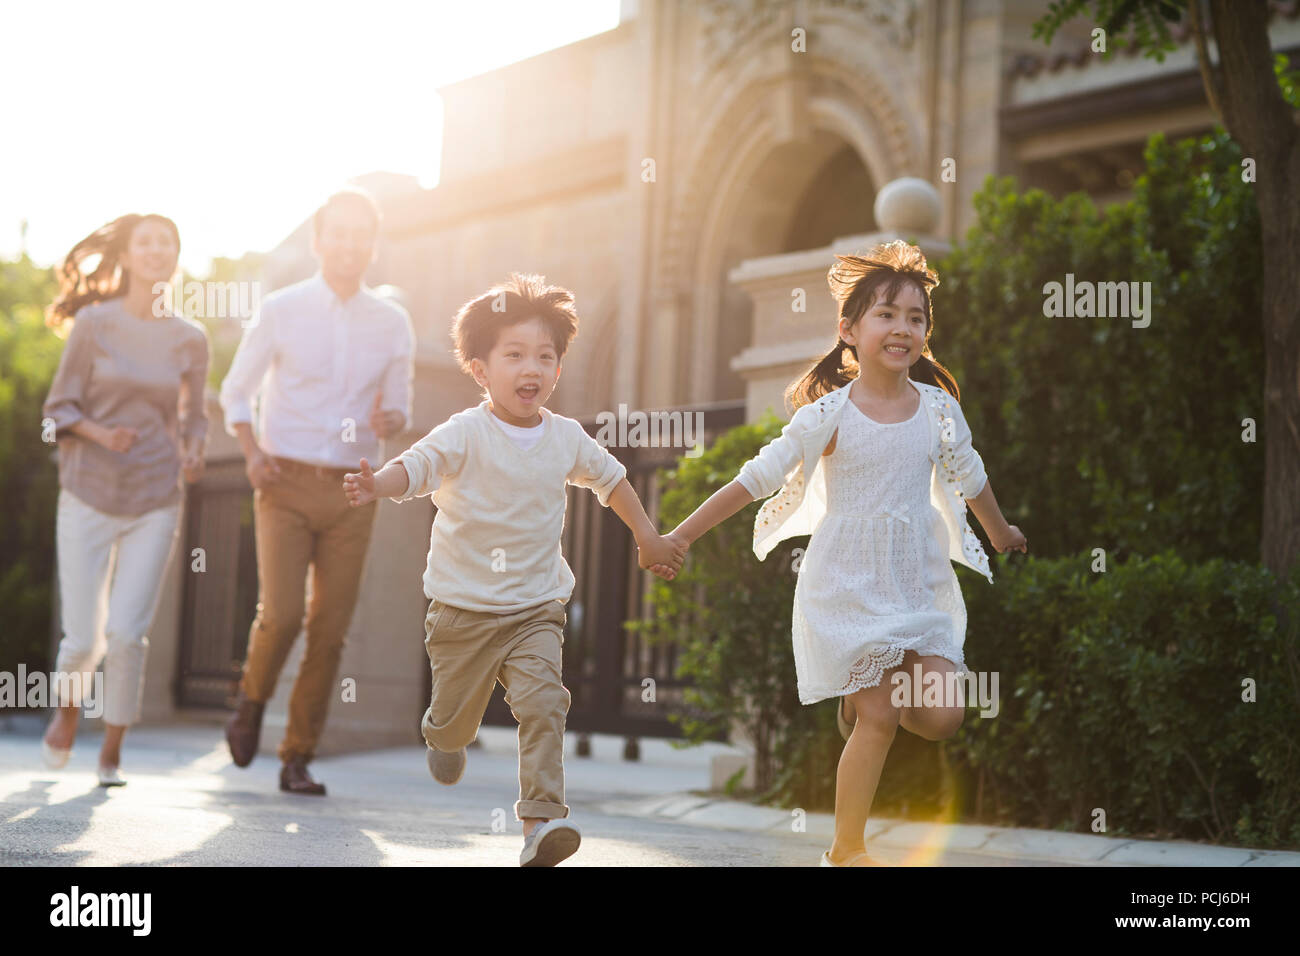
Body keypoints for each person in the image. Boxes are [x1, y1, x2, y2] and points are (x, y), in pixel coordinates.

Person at [660, 240, 1027, 866]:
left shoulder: (938, 409)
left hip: (916, 584)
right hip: (846, 587)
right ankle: (846, 849)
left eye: (916, 318)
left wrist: (997, 530)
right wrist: (681, 535)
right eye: (886, 314)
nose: (902, 328)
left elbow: (969, 473)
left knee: (941, 717)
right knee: (883, 714)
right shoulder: (828, 416)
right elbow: (757, 478)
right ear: (849, 330)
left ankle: (855, 702)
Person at [342, 273, 685, 866]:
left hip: (535, 608)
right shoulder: (466, 432)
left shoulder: (567, 437)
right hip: (460, 610)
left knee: (545, 705)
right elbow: (417, 468)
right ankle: (442, 733)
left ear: (558, 368)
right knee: (454, 726)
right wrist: (377, 483)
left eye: (546, 357)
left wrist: (648, 536)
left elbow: (612, 480)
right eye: (516, 355)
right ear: (481, 370)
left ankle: (539, 824)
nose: (533, 368)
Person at [218, 186, 415, 795]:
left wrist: (392, 422)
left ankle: (297, 755)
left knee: (329, 627)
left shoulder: (392, 322)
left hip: (353, 490)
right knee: (279, 615)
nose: (349, 245)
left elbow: (401, 406)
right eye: (339, 233)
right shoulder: (281, 308)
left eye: (361, 235)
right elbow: (234, 391)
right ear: (318, 240)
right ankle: (250, 701)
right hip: (283, 480)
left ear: (373, 246)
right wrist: (251, 455)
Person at [40, 213, 210, 787]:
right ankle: (67, 712)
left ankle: (111, 749)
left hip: (156, 495)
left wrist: (192, 450)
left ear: (175, 256)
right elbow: (56, 409)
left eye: (167, 242)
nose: (157, 250)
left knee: (128, 632)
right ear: (131, 255)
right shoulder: (94, 323)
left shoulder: (191, 339)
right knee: (84, 636)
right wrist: (98, 434)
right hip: (88, 489)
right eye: (147, 242)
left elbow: (193, 416)